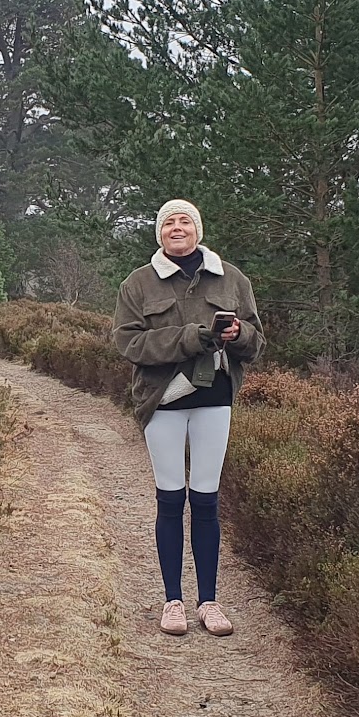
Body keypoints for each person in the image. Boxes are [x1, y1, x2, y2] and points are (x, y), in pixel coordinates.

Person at [112, 199, 263, 637]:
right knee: (170, 499)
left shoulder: (232, 278)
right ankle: (173, 601)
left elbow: (257, 343)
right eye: (169, 223)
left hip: (215, 400)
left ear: (198, 230)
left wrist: (239, 334)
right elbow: (128, 343)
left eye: (185, 221)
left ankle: (209, 602)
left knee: (206, 500)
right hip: (162, 402)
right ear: (159, 233)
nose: (177, 228)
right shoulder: (137, 283)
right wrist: (189, 339)